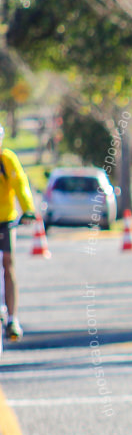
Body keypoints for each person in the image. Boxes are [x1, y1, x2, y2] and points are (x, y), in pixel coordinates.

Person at [0, 126, 35, 340]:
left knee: (8, 263)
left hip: (6, 220)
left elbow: (20, 184)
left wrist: (28, 209)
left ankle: (12, 318)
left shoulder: (7, 160)